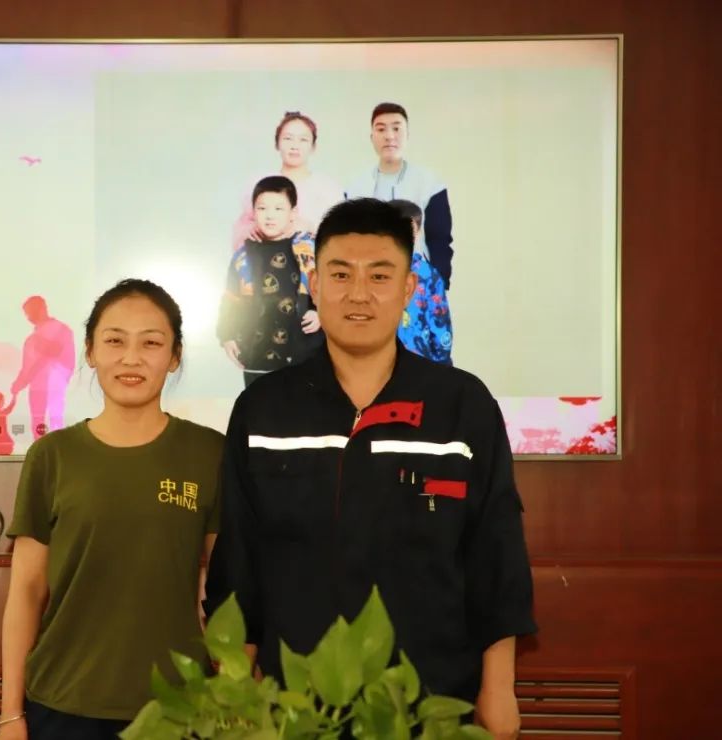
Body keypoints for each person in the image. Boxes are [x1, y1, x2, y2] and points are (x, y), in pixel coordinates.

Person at [205, 198, 535, 740]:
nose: (359, 293)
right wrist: (236, 691)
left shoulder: (462, 405)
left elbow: (495, 556)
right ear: (314, 284)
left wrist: (499, 691)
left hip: (432, 705)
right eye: (341, 274)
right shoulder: (264, 409)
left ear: (408, 289)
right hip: (295, 709)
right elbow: (239, 563)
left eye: (380, 276)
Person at [0, 279, 224, 740]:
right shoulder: (53, 456)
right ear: (90, 351)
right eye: (115, 341)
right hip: (64, 704)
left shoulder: (209, 453)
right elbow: (26, 590)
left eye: (151, 343)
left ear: (175, 356)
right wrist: (10, 714)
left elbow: (228, 591)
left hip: (181, 705)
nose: (131, 358)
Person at [217, 175, 324, 387]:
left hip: (305, 351)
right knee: (260, 405)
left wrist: (322, 313)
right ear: (253, 212)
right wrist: (227, 336)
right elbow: (231, 298)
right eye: (262, 208)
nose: (270, 215)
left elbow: (332, 289)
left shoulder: (310, 249)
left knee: (303, 404)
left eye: (279, 209)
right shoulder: (244, 256)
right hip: (257, 353)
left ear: (293, 213)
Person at [347, 103, 455, 297]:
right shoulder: (355, 188)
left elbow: (439, 240)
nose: (389, 136)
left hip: (419, 287)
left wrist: (438, 286)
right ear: (372, 137)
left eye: (396, 128)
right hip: (368, 288)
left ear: (407, 135)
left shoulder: (430, 184)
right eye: (381, 129)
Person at [231, 111, 344, 247]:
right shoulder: (259, 182)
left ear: (313, 146)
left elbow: (340, 235)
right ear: (277, 143)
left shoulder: (328, 188)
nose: (295, 146)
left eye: (303, 139)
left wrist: (310, 227)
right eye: (288, 138)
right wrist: (248, 230)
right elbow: (241, 228)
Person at [388, 198, 453, 364]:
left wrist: (442, 366)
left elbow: (440, 323)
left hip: (419, 363)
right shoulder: (370, 272)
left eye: (406, 229)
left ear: (417, 231)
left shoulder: (428, 275)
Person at [10, 296, 76, 439]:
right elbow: (26, 367)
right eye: (26, 314)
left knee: (55, 422)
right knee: (37, 424)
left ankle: (57, 450)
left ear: (42, 308)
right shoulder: (30, 340)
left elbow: (60, 353)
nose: (28, 317)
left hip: (55, 385)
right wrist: (18, 383)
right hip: (36, 387)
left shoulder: (61, 329)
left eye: (30, 312)